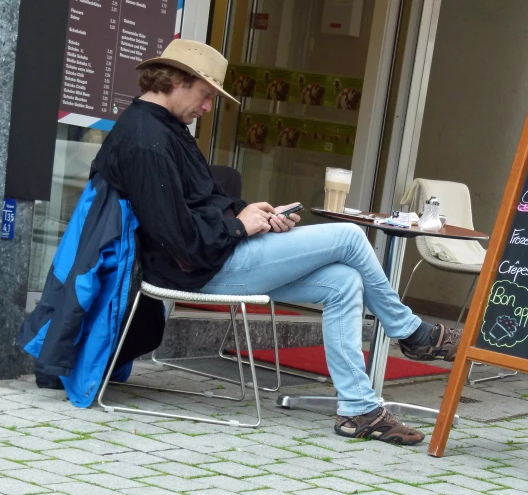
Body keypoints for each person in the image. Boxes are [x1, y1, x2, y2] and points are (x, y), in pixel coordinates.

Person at [91, 39, 461, 445]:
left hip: (213, 257)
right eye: (206, 95)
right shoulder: (147, 140)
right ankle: (412, 333)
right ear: (178, 80)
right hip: (197, 269)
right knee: (351, 236)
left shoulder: (163, 128)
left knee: (343, 281)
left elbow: (200, 206)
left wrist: (256, 216)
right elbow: (180, 241)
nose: (208, 107)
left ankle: (359, 410)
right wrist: (240, 227)